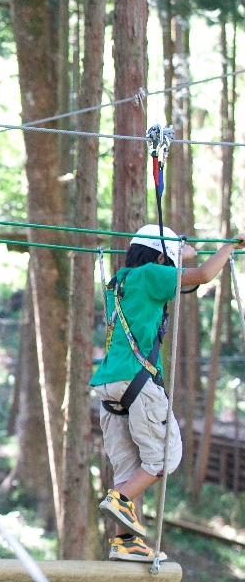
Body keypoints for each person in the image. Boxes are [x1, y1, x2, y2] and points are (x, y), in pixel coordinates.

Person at [93, 224, 245, 562]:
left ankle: (125, 542)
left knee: (129, 467)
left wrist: (179, 251)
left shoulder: (120, 281)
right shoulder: (151, 275)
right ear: (160, 258)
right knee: (165, 457)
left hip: (109, 385)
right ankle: (118, 500)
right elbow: (204, 275)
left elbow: (183, 271)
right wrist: (231, 246)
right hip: (137, 382)